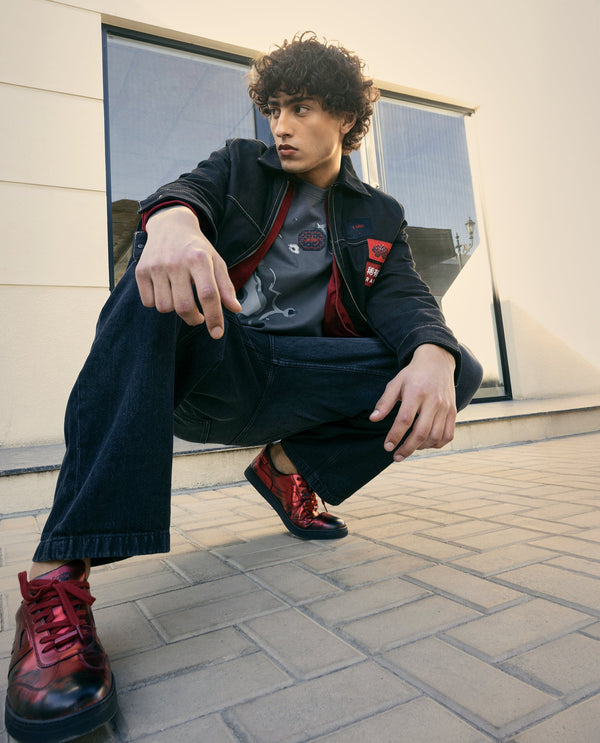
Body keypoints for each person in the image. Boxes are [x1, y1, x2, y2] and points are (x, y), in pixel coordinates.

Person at [5, 32, 483, 742]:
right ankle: (55, 581)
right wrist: (171, 222)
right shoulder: (240, 165)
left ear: (346, 118)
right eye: (275, 109)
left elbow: (405, 299)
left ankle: (285, 468)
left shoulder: (378, 214)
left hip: (303, 378)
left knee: (454, 365)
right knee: (154, 279)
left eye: (302, 109)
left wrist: (434, 351)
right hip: (220, 364)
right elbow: (187, 192)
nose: (281, 125)